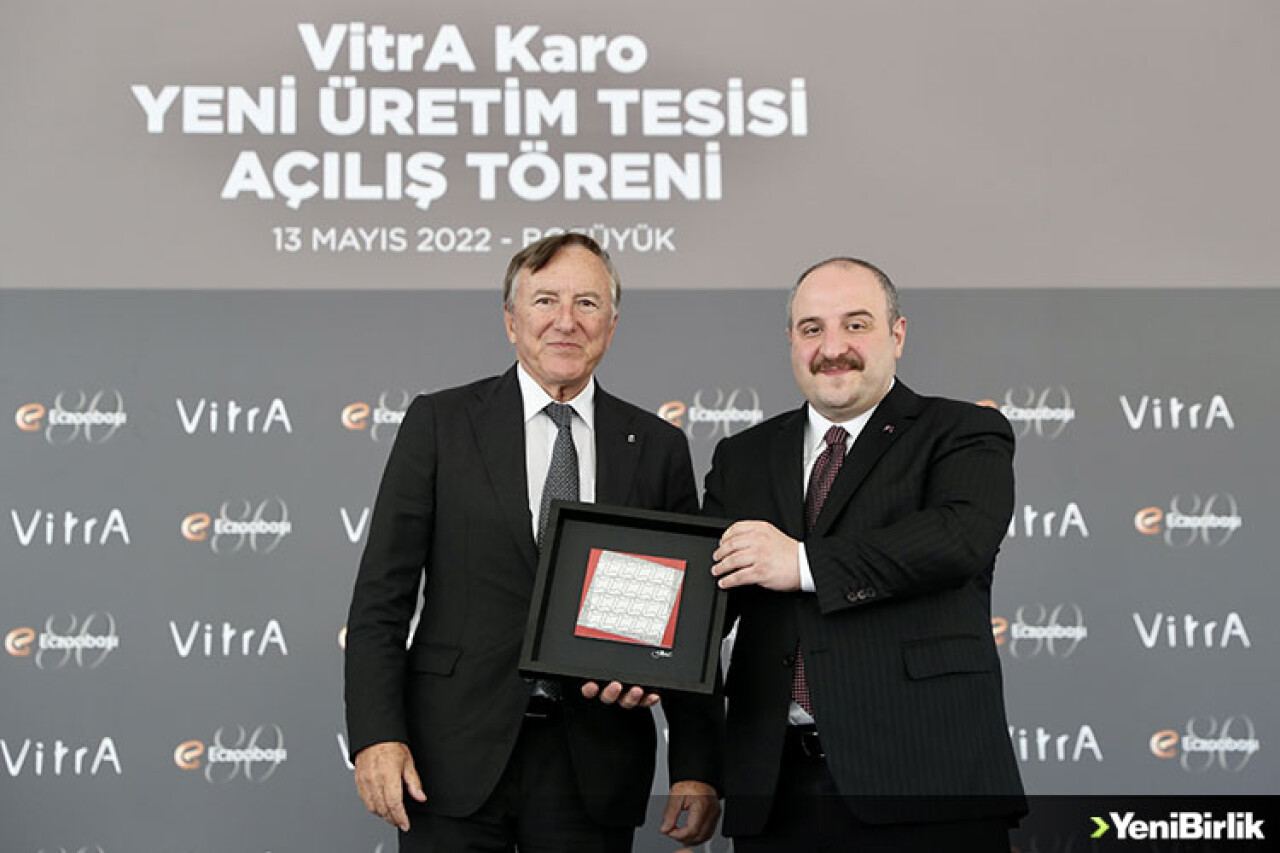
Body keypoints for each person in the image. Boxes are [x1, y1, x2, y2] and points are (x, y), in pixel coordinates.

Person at [344, 233, 722, 852]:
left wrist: (696, 765)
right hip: (451, 757)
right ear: (511, 320)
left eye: (587, 303)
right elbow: (381, 598)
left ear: (612, 325)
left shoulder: (657, 447)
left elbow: (688, 621)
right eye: (546, 300)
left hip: (595, 764)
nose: (566, 321)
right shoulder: (440, 424)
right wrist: (376, 735)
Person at [703, 257, 1026, 851]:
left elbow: (958, 539)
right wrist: (629, 656)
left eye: (856, 325)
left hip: (928, 784)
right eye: (812, 329)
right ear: (791, 340)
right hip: (775, 794)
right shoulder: (742, 456)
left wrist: (800, 564)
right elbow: (705, 600)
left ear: (897, 335)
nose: (833, 348)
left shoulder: (962, 432)